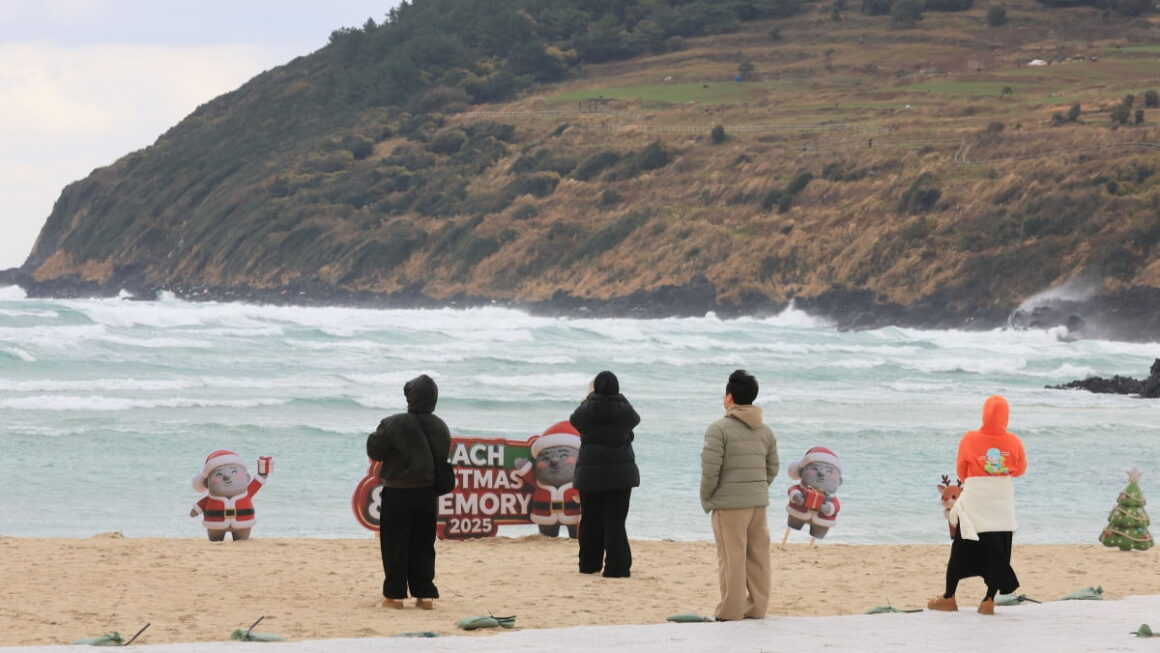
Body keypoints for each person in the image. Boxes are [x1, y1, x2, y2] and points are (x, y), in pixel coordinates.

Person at [928, 394, 1027, 615]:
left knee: (962, 548)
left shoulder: (970, 439)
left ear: (984, 414)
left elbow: (961, 471)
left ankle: (949, 597)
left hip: (976, 500)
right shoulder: (1014, 441)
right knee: (998, 548)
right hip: (1001, 501)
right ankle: (988, 600)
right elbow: (1020, 470)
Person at [366, 374, 451, 610]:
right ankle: (425, 596)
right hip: (427, 495)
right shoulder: (441, 426)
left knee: (395, 544)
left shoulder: (394, 423)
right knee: (424, 544)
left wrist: (378, 432)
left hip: (398, 493)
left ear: (410, 398)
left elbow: (375, 451)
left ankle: (394, 597)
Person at [699, 369, 779, 621]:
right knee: (758, 557)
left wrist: (708, 497)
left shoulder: (718, 429)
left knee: (732, 559)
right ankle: (756, 608)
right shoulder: (765, 431)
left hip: (729, 505)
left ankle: (730, 611)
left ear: (729, 398)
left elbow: (710, 470)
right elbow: (772, 467)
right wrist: (757, 487)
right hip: (757, 504)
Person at [569, 370, 641, 578]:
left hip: (590, 474)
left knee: (590, 520)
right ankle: (616, 568)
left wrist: (590, 397)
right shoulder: (624, 410)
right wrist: (619, 397)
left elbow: (575, 419)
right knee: (615, 521)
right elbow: (635, 418)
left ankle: (589, 565)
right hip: (620, 475)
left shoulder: (587, 409)